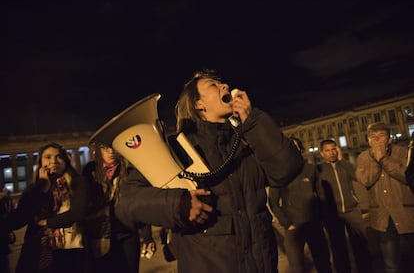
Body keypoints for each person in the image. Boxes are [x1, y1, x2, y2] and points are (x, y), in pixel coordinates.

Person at [110, 69, 304, 273]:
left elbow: (287, 169)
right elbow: (127, 201)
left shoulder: (247, 139)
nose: (225, 86)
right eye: (213, 85)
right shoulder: (178, 148)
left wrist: (252, 120)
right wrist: (178, 205)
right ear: (198, 104)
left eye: (222, 83)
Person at [1, 142, 89, 273]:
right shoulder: (33, 190)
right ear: (41, 162)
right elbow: (19, 220)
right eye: (48, 157)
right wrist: (42, 189)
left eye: (58, 157)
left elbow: (78, 213)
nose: (54, 161)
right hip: (39, 251)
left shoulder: (78, 183)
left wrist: (46, 222)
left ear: (65, 161)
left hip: (73, 249)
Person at [81, 144, 155, 273]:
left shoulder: (130, 170)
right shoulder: (90, 170)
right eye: (105, 147)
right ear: (99, 149)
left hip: (127, 234)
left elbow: (140, 204)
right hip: (100, 235)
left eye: (114, 147)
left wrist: (147, 236)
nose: (111, 151)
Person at [356, 122, 414, 272]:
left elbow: (406, 176)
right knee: (390, 263)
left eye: (381, 136)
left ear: (389, 139)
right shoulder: (363, 157)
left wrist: (384, 159)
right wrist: (377, 161)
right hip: (382, 216)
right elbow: (365, 180)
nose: (377, 140)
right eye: (373, 137)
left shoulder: (402, 152)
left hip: (406, 213)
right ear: (368, 141)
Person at [268, 137, 332, 273]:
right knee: (297, 267)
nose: (292, 150)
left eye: (295, 146)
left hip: (314, 224)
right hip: (293, 228)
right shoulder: (278, 173)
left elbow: (321, 195)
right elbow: (273, 201)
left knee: (324, 264)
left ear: (300, 149)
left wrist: (321, 218)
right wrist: (286, 223)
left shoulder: (310, 168)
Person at [318, 139, 373, 273]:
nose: (331, 153)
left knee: (361, 246)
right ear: (322, 153)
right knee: (339, 249)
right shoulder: (318, 170)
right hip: (332, 215)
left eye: (333, 149)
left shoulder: (344, 165)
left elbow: (357, 177)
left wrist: (342, 160)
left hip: (352, 211)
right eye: (327, 150)